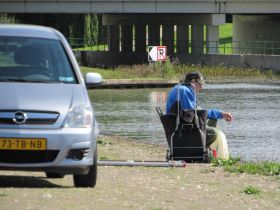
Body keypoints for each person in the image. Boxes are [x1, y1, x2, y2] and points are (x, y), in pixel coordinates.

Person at [166, 71, 233, 145]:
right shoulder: (185, 91)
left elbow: (197, 111)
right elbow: (193, 114)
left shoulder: (180, 88)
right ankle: (203, 151)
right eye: (200, 84)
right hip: (184, 131)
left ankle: (205, 149)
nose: (201, 87)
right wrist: (221, 114)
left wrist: (220, 114)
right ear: (193, 81)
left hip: (179, 126)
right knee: (214, 134)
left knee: (214, 118)